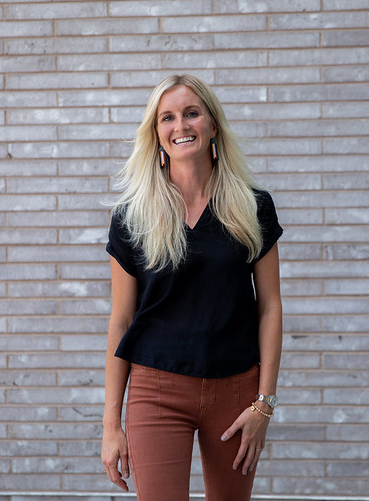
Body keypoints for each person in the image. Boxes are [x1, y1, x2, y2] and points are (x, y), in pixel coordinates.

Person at [100, 74, 283, 501]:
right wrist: (112, 424)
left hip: (236, 392)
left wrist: (264, 404)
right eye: (167, 117)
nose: (180, 125)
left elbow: (270, 308)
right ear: (156, 133)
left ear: (213, 125)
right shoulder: (132, 216)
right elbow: (121, 319)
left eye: (191, 113)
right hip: (156, 392)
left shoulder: (253, 206)